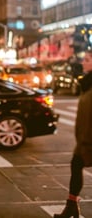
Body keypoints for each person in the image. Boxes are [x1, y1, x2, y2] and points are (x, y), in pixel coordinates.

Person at [53, 50, 92, 218]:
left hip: (89, 140)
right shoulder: (87, 83)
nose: (84, 62)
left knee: (76, 165)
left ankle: (71, 207)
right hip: (84, 140)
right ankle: (71, 206)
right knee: (76, 165)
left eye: (88, 59)